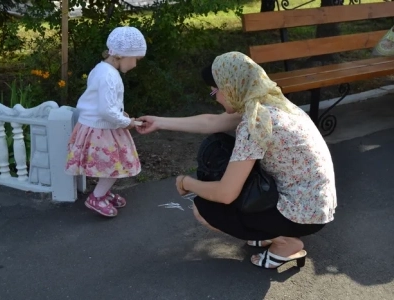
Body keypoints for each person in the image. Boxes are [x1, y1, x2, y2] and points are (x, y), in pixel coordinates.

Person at [136, 51, 337, 269]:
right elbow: (211, 123)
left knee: (205, 208)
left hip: (302, 215)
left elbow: (225, 193)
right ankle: (271, 231)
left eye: (216, 91)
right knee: (224, 158)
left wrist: (186, 182)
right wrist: (158, 122)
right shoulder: (269, 102)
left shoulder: (256, 122)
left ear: (231, 87)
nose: (217, 98)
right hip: (316, 205)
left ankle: (285, 241)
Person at [65, 26, 146, 218]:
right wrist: (129, 122)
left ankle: (103, 192)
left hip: (96, 126)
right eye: (135, 59)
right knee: (116, 165)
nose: (135, 64)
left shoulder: (101, 69)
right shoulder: (110, 76)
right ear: (121, 55)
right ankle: (96, 197)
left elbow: (102, 102)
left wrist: (120, 112)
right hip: (102, 129)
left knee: (110, 164)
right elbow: (106, 110)